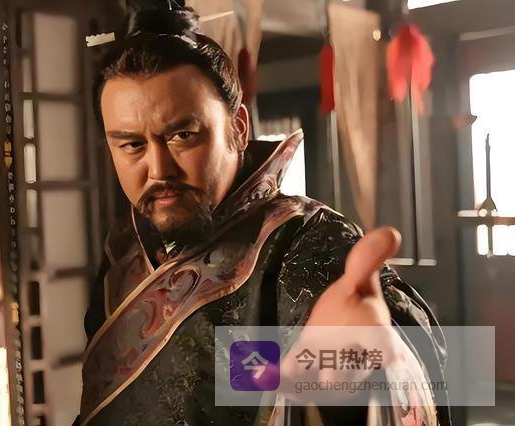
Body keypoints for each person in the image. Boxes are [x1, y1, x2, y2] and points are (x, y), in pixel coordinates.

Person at [76, 5, 450, 425]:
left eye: (183, 135)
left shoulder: (306, 240)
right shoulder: (123, 251)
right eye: (132, 145)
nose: (159, 169)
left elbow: (400, 349)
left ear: (238, 128)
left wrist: (361, 374)